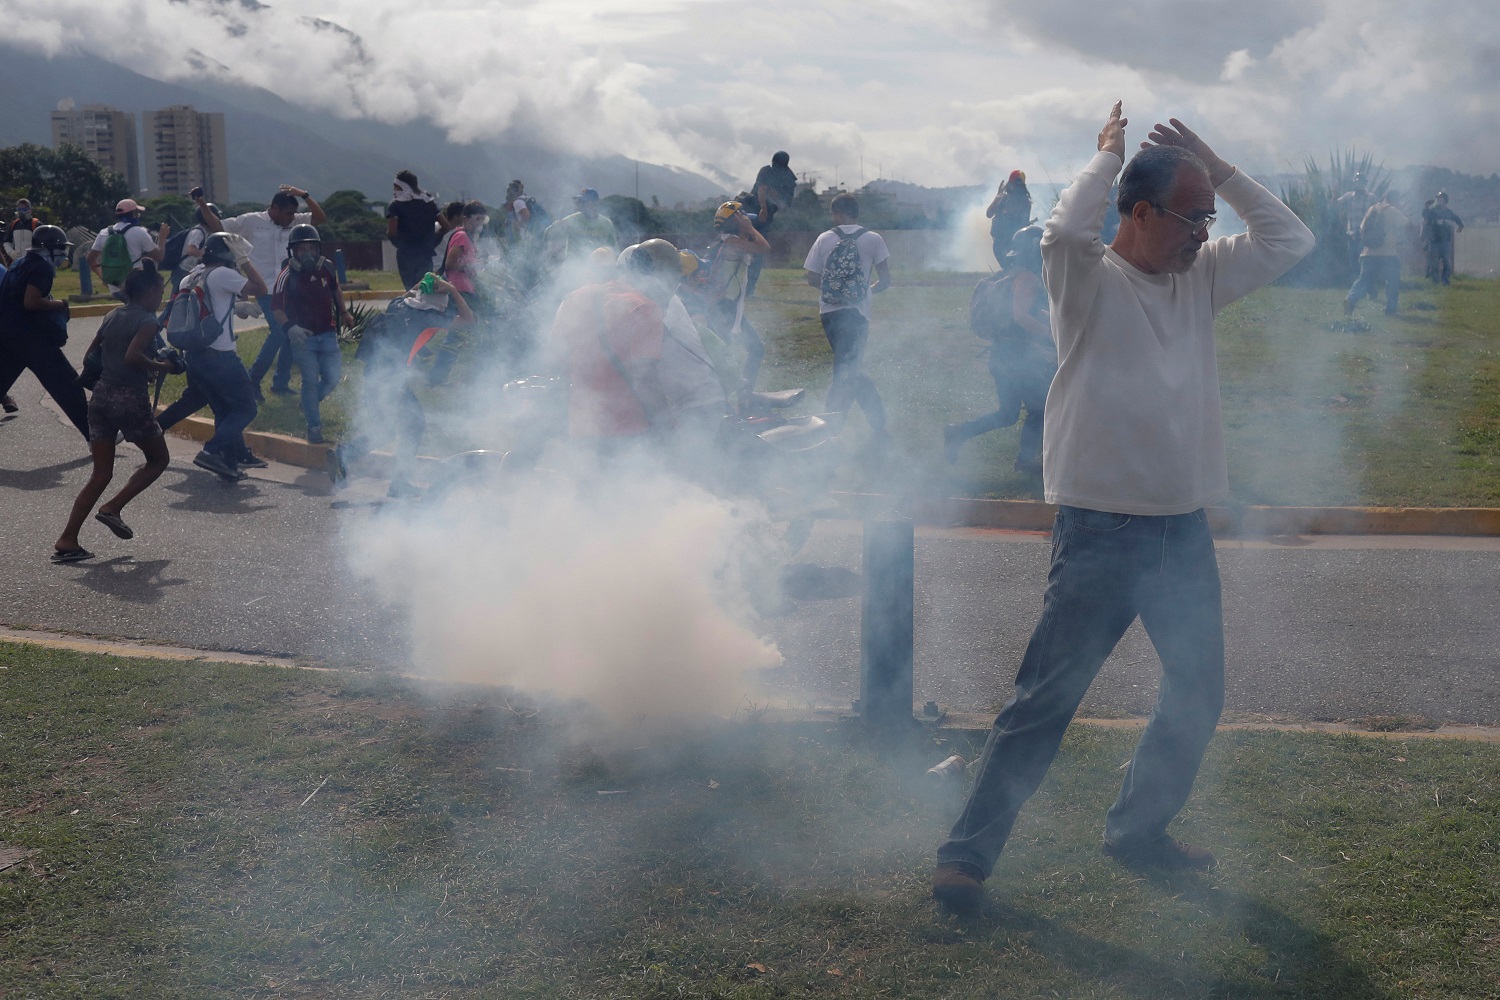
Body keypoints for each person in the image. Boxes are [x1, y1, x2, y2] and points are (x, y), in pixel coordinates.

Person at [930, 105, 1315, 917]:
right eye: (1193, 216)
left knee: (1198, 691)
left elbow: (1291, 242)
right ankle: (965, 857)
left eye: (1210, 217)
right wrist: (1106, 156)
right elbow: (1063, 233)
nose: (1204, 232)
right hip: (1100, 527)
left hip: (1181, 526)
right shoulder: (1088, 279)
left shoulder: (1201, 274)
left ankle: (1138, 830)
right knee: (1045, 702)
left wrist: (1218, 165)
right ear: (1140, 214)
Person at [51, 261, 179, 563]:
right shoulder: (148, 321)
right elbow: (133, 355)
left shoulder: (112, 314)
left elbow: (89, 356)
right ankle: (113, 508)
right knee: (159, 459)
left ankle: (67, 539)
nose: (160, 298)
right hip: (129, 400)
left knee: (101, 473)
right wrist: (161, 367)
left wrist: (131, 367)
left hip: (100, 398)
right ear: (149, 292)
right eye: (160, 292)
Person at [328, 274, 475, 498]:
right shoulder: (430, 317)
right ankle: (398, 483)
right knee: (414, 425)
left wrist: (422, 283)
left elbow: (410, 295)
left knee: (387, 429)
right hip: (391, 381)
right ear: (438, 302)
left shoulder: (399, 304)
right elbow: (468, 319)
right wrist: (453, 290)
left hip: (373, 376)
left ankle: (345, 454)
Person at [547, 238, 676, 461]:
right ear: (660, 275)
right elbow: (645, 378)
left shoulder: (577, 297)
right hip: (629, 429)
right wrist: (667, 425)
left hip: (582, 424)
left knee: (591, 491)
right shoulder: (645, 308)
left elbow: (557, 358)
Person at [944, 225, 1054, 475]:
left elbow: (1019, 312)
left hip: (1003, 356)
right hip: (1018, 359)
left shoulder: (1010, 276)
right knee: (1038, 409)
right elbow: (1020, 316)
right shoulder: (1028, 279)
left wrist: (1045, 316)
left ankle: (958, 432)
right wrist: (1049, 334)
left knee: (1008, 414)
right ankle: (1026, 461)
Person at [202, 185, 326, 401]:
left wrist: (304, 195)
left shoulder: (295, 221)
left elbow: (320, 218)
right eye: (288, 213)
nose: (292, 218)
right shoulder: (251, 221)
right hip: (266, 289)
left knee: (291, 336)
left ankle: (280, 383)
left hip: (290, 287)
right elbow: (217, 226)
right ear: (274, 208)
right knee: (279, 332)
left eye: (294, 214)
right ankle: (252, 379)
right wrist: (202, 203)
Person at [177, 232, 270, 481]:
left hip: (195, 355)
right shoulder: (223, 273)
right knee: (246, 408)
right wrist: (244, 261)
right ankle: (211, 450)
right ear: (229, 255)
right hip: (220, 356)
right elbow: (260, 288)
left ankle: (227, 465)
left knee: (224, 411)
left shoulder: (195, 274)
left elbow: (229, 303)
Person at [802, 193, 892, 443]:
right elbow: (886, 281)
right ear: (856, 212)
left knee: (848, 369)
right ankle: (833, 429)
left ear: (837, 213)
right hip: (857, 314)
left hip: (829, 314)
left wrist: (834, 291)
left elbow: (811, 278)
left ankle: (867, 425)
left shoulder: (824, 238)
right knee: (847, 371)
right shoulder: (874, 239)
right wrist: (862, 292)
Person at [0, 225, 90, 439]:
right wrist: (59, 304)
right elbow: (31, 302)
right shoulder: (42, 267)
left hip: (8, 335)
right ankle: (95, 437)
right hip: (32, 338)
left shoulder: (20, 263)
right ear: (48, 249)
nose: (62, 253)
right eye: (59, 248)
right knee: (68, 386)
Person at [272, 224, 352, 444]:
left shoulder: (327, 267)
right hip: (303, 337)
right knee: (309, 380)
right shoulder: (285, 275)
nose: (307, 254)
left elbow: (335, 289)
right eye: (302, 249)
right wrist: (291, 328)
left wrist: (344, 312)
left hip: (327, 333)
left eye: (311, 248)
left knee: (333, 377)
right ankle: (314, 428)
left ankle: (309, 403)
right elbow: (277, 308)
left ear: (318, 249)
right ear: (293, 252)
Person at [701, 201, 771, 397]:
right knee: (752, 351)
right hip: (724, 308)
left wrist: (747, 229)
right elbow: (764, 248)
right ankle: (738, 397)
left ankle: (728, 398)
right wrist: (748, 229)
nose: (749, 220)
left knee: (723, 355)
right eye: (743, 217)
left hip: (720, 306)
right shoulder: (732, 243)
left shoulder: (726, 241)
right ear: (735, 222)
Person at [1343, 190, 1411, 317]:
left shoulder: (1371, 209)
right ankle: (1390, 309)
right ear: (1394, 199)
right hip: (1388, 254)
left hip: (1368, 253)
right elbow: (1408, 224)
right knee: (1392, 281)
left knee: (1363, 279)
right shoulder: (1393, 211)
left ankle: (1350, 300)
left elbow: (1362, 229)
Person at [86, 199, 167, 299]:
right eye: (137, 213)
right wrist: (162, 237)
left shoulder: (104, 232)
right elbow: (159, 256)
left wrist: (104, 277)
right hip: (135, 288)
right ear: (134, 214)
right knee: (146, 314)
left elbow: (90, 259)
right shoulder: (139, 232)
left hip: (115, 288)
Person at [745, 151, 797, 297]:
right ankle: (740, 285)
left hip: (764, 222)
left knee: (758, 252)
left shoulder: (788, 180)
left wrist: (776, 197)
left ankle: (749, 288)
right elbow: (762, 189)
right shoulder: (766, 171)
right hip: (749, 215)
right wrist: (763, 207)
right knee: (742, 248)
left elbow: (786, 204)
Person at [386, 169, 446, 292]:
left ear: (401, 186)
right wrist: (432, 241)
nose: (394, 191)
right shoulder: (428, 201)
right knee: (425, 289)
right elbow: (445, 225)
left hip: (406, 255)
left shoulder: (396, 205)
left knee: (411, 290)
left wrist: (400, 243)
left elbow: (391, 231)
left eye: (396, 187)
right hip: (426, 254)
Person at [543, 188, 619, 265]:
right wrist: (558, 226)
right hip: (573, 267)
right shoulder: (572, 220)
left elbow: (613, 249)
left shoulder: (606, 224)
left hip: (598, 268)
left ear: (594, 203)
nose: (580, 204)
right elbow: (548, 233)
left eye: (584, 201)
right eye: (581, 202)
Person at [986, 170, 1032, 267]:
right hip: (1000, 243)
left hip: (1015, 244)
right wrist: (997, 197)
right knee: (1008, 269)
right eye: (1014, 184)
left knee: (1014, 269)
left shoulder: (1025, 202)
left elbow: (1024, 223)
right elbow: (989, 214)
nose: (1015, 188)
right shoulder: (1002, 199)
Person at [1335, 172, 1375, 278]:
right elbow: (1335, 204)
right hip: (1352, 235)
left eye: (1360, 182)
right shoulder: (1349, 197)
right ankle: (1359, 284)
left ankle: (1368, 286)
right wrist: (1335, 193)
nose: (1358, 185)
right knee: (1354, 263)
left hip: (1364, 236)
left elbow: (1376, 216)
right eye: (1356, 182)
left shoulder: (1371, 198)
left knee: (1363, 261)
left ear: (1365, 184)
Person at [1424, 191, 1464, 285]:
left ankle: (1445, 280)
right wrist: (1426, 207)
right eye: (1437, 199)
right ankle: (1435, 281)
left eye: (1440, 199)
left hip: (1445, 241)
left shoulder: (1448, 212)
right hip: (1434, 241)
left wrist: (1460, 226)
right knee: (1434, 263)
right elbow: (1425, 216)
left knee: (1447, 262)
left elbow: (1456, 218)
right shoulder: (1432, 212)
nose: (1438, 201)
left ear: (1445, 201)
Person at [3, 198, 41, 266]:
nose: (21, 212)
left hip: (32, 262)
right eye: (19, 209)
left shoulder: (36, 224)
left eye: (24, 209)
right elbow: (6, 242)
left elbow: (42, 244)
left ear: (30, 210)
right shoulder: (13, 224)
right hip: (16, 261)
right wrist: (11, 252)